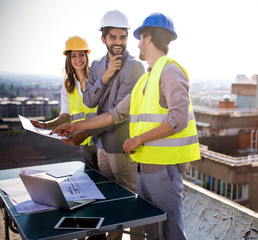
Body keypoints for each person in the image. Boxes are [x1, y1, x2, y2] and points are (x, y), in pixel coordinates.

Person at [52, 13, 201, 240]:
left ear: (149, 38)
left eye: (139, 38)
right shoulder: (146, 79)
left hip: (164, 167)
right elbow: (114, 115)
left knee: (170, 232)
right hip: (144, 165)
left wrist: (139, 139)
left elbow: (178, 119)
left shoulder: (170, 70)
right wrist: (76, 125)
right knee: (153, 231)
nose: (136, 43)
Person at [82, 10, 145, 240]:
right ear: (103, 39)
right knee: (109, 202)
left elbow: (118, 113)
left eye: (123, 37)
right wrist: (106, 76)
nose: (118, 42)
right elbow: (88, 100)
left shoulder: (134, 67)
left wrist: (82, 127)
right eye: (113, 37)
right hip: (101, 146)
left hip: (123, 147)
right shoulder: (98, 66)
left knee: (131, 203)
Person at [31, 36, 98, 170]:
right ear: (69, 59)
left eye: (81, 55)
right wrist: (44, 125)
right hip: (84, 142)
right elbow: (64, 116)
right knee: (94, 178)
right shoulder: (68, 85)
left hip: (102, 138)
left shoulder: (96, 78)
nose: (78, 59)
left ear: (86, 56)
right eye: (74, 56)